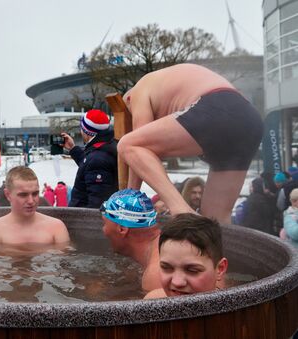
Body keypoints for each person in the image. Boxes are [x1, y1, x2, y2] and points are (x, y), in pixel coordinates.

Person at [118, 63, 263, 224]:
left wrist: (128, 198)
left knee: (127, 144)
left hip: (218, 106)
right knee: (215, 222)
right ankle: (218, 247)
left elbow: (137, 145)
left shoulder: (138, 90)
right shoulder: (166, 82)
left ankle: (180, 209)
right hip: (249, 120)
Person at [145, 213, 228, 299]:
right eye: (166, 268)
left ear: (220, 269)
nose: (177, 282)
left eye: (192, 270)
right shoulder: (153, 301)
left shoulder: (235, 310)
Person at [0, 166, 70, 245]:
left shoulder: (56, 228)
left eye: (35, 194)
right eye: (23, 195)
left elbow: (65, 262)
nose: (31, 201)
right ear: (8, 195)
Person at [100, 189, 160, 291]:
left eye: (104, 223)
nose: (103, 230)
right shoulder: (162, 246)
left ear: (122, 229)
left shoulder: (154, 276)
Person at [61, 109, 118, 208]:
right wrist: (73, 149)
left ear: (87, 132)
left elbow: (97, 203)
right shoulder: (105, 146)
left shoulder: (97, 159)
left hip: (83, 220)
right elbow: (89, 167)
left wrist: (85, 222)